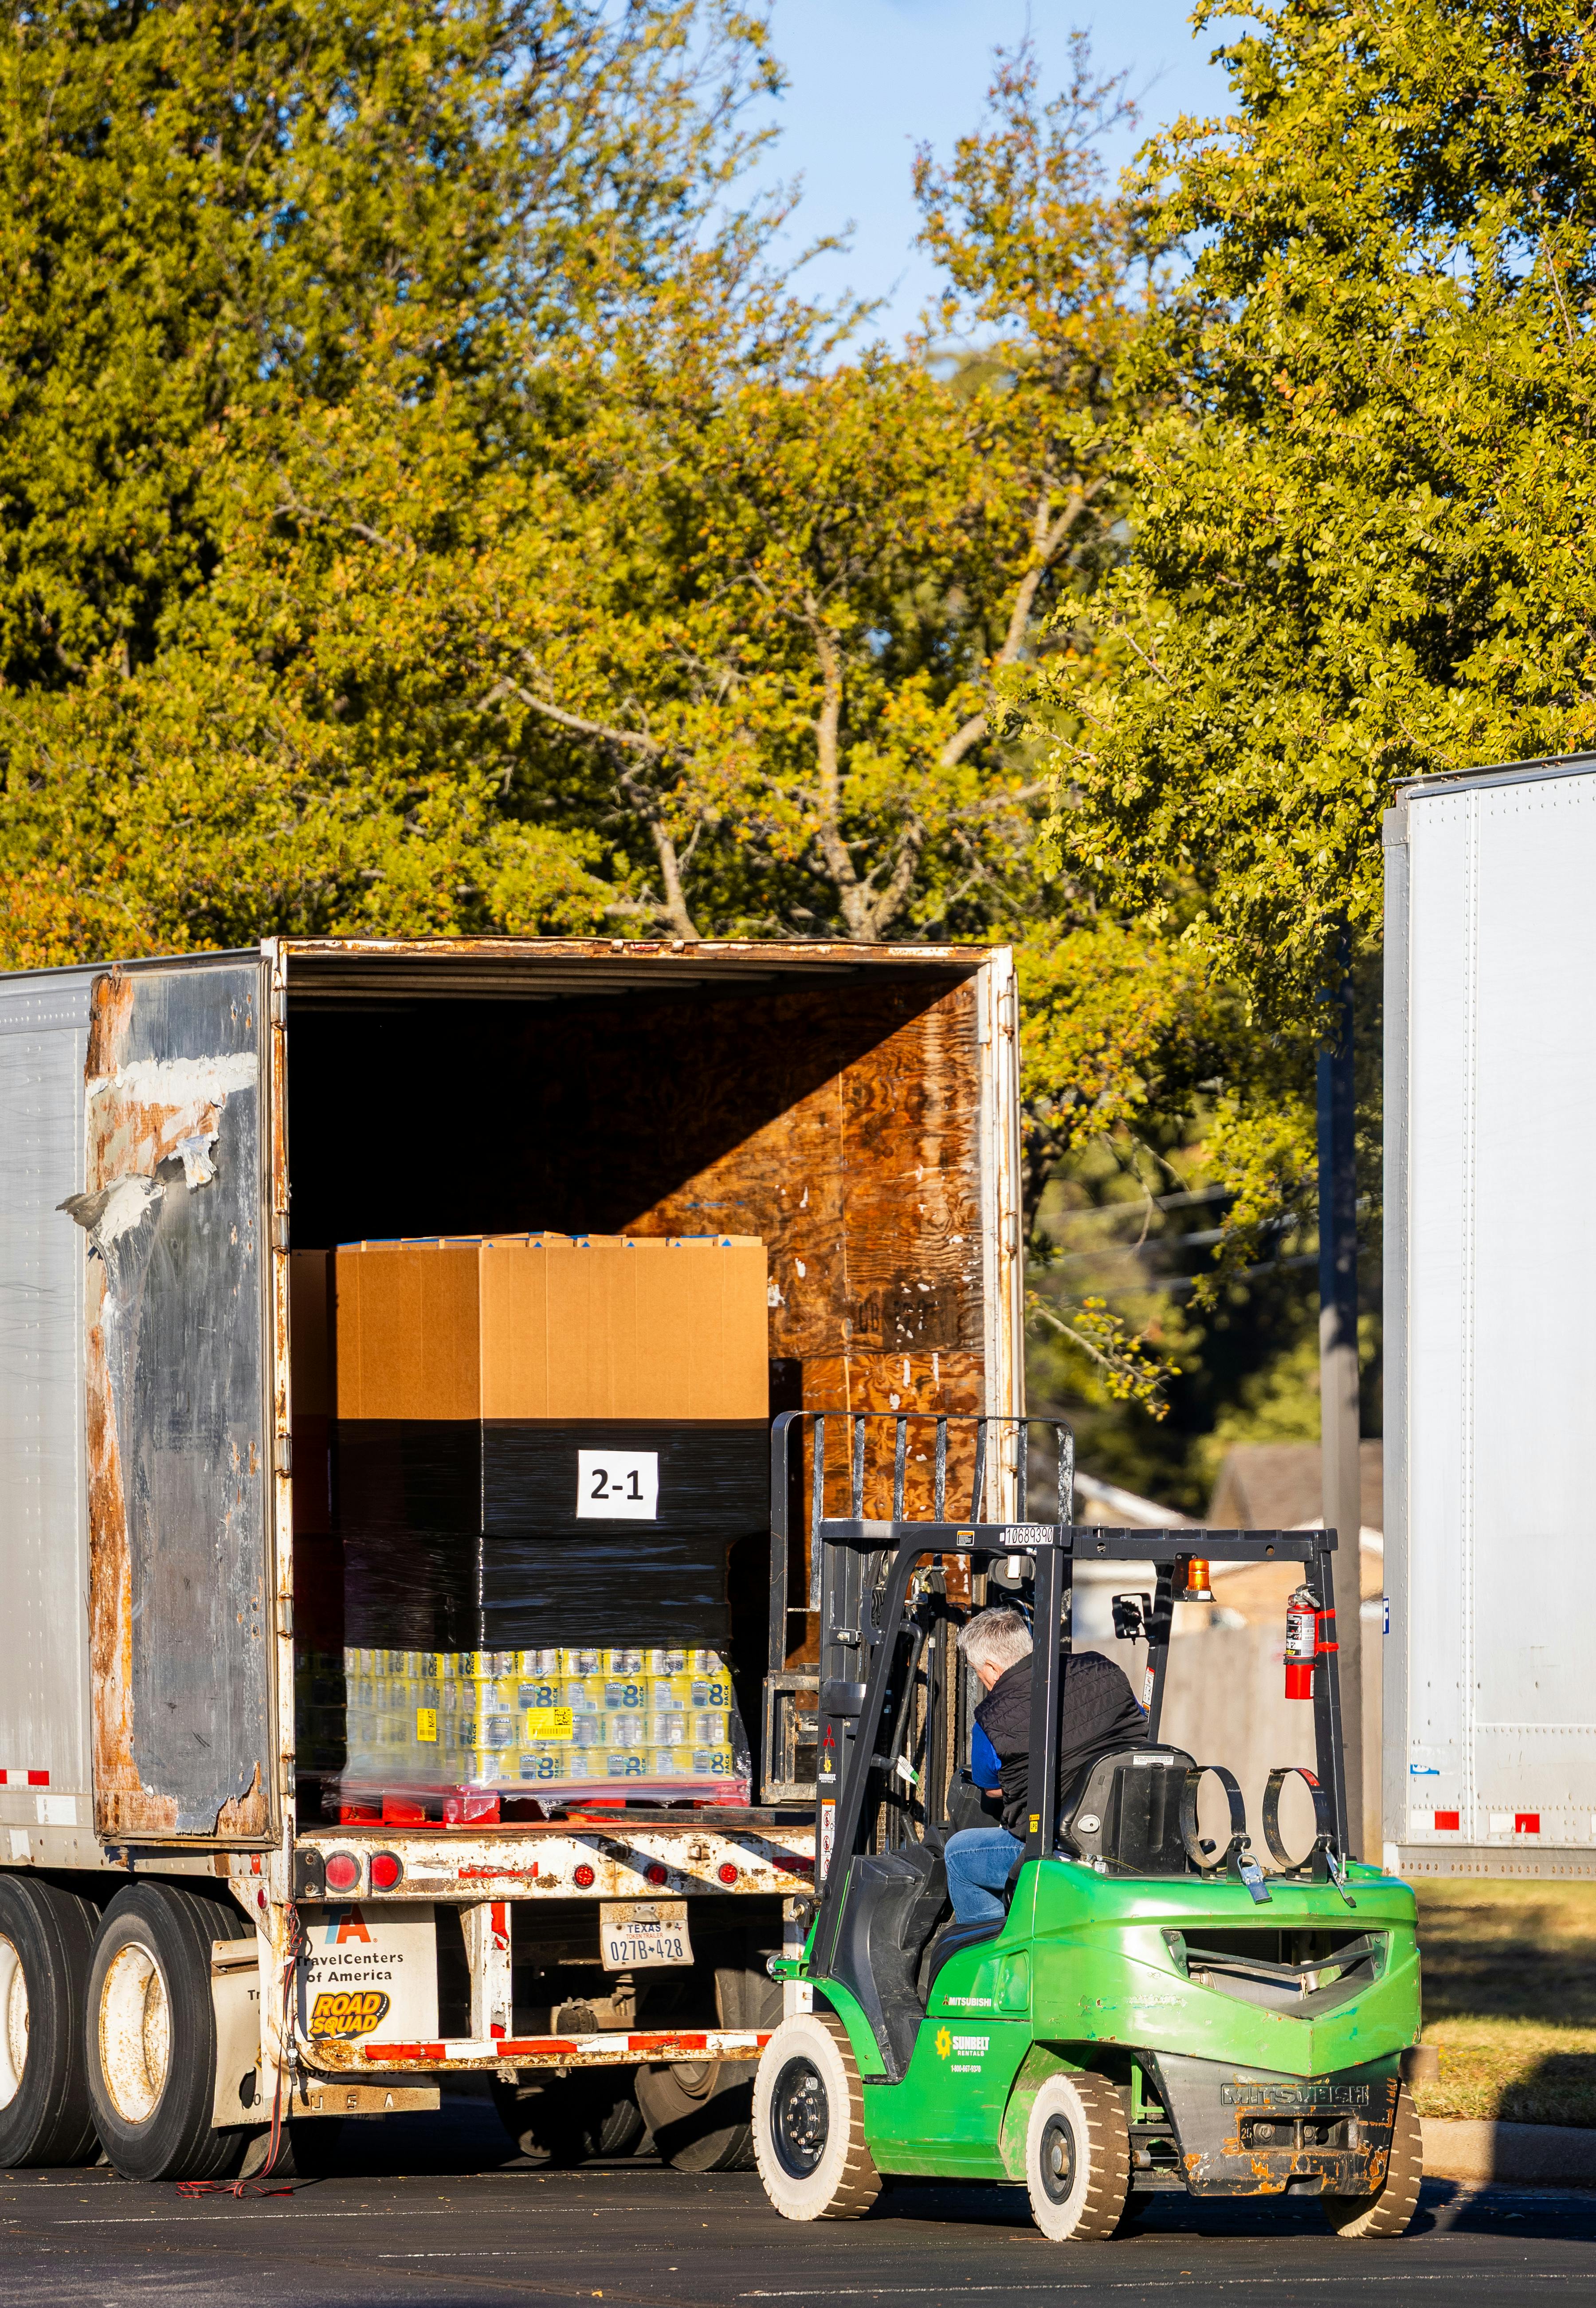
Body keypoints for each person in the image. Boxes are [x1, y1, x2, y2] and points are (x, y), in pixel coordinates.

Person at [943, 1604, 1148, 1926]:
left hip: (1063, 1842)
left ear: (993, 1668)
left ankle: (989, 1953)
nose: (981, 1680)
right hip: (1134, 1823)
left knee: (958, 1854)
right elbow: (1137, 1723)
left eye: (976, 1670)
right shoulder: (1103, 1669)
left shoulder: (990, 1719)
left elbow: (992, 1788)